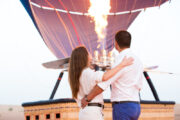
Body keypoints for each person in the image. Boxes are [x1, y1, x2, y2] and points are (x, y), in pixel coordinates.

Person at [81, 30, 144, 120]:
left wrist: (87, 98)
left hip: (123, 106)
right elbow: (139, 86)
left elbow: (105, 83)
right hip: (136, 106)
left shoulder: (121, 60)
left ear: (116, 43)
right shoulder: (138, 60)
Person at [68, 46, 133, 120]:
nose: (90, 54)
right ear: (84, 56)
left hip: (84, 112)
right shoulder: (87, 73)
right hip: (92, 113)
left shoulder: (76, 76)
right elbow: (105, 77)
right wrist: (122, 64)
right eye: (88, 53)